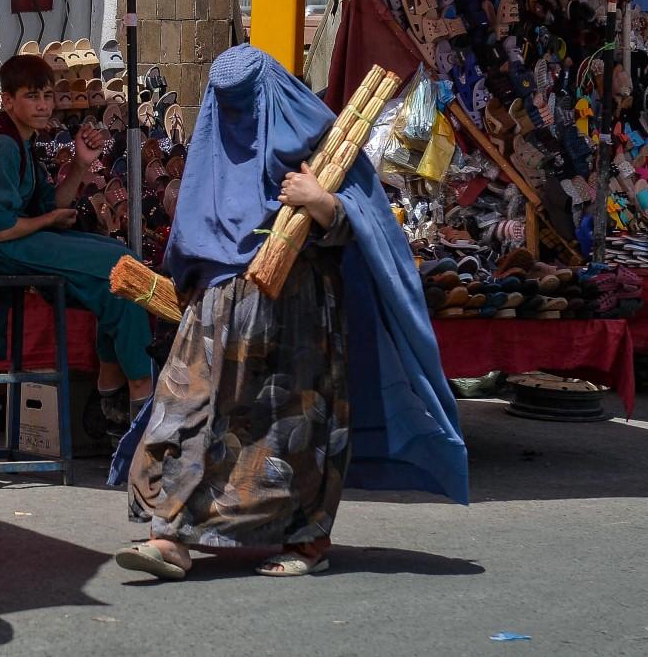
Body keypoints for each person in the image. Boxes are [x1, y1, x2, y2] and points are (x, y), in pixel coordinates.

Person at [111, 44, 468, 580]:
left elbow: (369, 225)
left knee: (289, 433)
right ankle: (170, 535)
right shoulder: (214, 148)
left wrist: (320, 201)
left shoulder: (320, 140)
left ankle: (306, 541)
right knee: (185, 415)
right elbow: (191, 232)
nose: (238, 119)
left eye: (246, 103)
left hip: (298, 318)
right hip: (214, 316)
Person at [0, 55, 152, 427]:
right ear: (8, 100)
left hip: (15, 242)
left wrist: (80, 164)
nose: (44, 105)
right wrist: (49, 219)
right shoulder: (1, 144)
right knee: (118, 267)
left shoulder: (22, 142)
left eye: (47, 95)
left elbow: (53, 203)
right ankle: (137, 388)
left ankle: (113, 386)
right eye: (33, 96)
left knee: (121, 265)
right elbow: (3, 228)